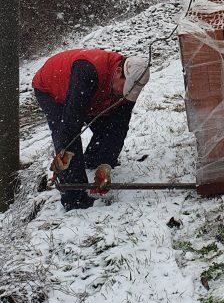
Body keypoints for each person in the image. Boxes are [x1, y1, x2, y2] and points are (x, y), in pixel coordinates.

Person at [33, 49, 150, 212]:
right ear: (117, 72)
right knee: (66, 136)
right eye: (124, 87)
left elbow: (119, 126)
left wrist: (106, 163)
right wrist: (65, 154)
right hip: (52, 89)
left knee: (109, 126)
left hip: (93, 94)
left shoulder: (128, 88)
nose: (125, 94)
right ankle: (74, 198)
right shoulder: (88, 71)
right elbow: (70, 126)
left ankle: (93, 160)